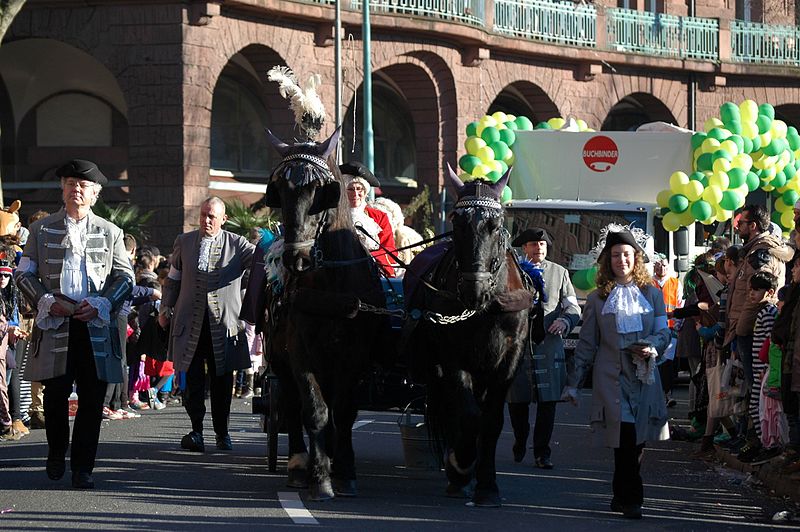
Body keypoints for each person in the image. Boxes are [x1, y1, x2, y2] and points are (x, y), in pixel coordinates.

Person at [14, 159, 134, 489]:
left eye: (82, 186)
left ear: (94, 194)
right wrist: (46, 300)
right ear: (62, 189)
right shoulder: (41, 229)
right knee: (54, 397)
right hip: (56, 324)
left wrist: (103, 303)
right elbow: (24, 273)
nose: (75, 190)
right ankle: (56, 452)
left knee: (93, 401)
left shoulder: (111, 232)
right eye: (70, 184)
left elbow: (126, 276)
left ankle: (83, 467)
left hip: (94, 325)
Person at [562, 227, 670, 520]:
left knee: (637, 440)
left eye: (626, 255)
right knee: (624, 434)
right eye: (615, 256)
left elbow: (663, 332)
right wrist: (573, 383)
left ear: (636, 258)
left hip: (644, 374)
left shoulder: (653, 293)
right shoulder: (598, 299)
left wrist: (652, 347)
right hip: (610, 375)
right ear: (607, 261)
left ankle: (620, 492)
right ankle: (633, 499)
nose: (621, 260)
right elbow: (587, 343)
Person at [159, 197, 254, 452]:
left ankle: (222, 433)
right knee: (191, 380)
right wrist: (165, 307)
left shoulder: (238, 244)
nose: (206, 220)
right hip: (190, 323)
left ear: (223, 219)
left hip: (222, 326)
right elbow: (173, 278)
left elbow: (260, 266)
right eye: (203, 215)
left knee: (222, 381)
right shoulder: (185, 241)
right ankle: (196, 431)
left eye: (212, 216)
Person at [506, 227, 580, 469]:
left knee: (548, 404)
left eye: (543, 244)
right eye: (534, 244)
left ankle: (542, 452)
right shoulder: (510, 271)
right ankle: (520, 439)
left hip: (548, 347)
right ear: (524, 247)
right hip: (518, 347)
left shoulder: (560, 273)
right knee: (517, 403)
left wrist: (565, 320)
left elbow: (573, 307)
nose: (539, 248)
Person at [340, 161, 396, 277]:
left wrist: (369, 258)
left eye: (359, 189)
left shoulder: (380, 217)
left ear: (365, 192)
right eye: (350, 189)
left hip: (373, 271)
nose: (355, 193)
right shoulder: (335, 215)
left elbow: (390, 250)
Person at [651, 253, 682, 407]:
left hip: (671, 330)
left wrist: (677, 325)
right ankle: (655, 394)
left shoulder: (675, 283)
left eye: (664, 264)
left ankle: (667, 394)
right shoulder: (648, 283)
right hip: (653, 331)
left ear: (668, 267)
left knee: (668, 364)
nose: (661, 267)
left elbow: (680, 304)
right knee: (654, 362)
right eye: (658, 264)